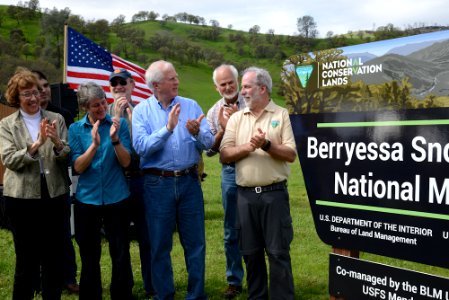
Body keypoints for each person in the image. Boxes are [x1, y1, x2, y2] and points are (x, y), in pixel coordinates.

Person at [132, 60, 214, 300]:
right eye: (172, 78)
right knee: (159, 245)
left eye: (177, 77)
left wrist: (197, 133)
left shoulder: (191, 105)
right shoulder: (141, 111)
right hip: (157, 184)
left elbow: (209, 145)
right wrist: (167, 129)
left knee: (195, 244)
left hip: (189, 181)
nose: (177, 81)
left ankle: (196, 295)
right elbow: (141, 148)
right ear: (156, 85)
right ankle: (164, 295)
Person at [220, 67, 297, 299]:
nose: (241, 91)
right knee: (250, 253)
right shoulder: (236, 118)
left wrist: (267, 145)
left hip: (274, 195)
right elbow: (224, 155)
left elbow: (291, 154)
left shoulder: (281, 115)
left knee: (278, 252)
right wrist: (249, 147)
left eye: (246, 86)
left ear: (262, 88)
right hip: (245, 196)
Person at [0, 68, 70, 299]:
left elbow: (67, 155)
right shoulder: (7, 125)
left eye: (36, 93)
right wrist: (36, 144)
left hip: (54, 195)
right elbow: (9, 159)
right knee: (26, 259)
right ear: (16, 98)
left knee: (53, 257)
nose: (33, 98)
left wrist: (58, 143)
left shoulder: (56, 119)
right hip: (20, 199)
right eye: (26, 94)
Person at [68, 81, 134, 300]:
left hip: (117, 198)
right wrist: (94, 145)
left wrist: (114, 140)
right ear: (85, 107)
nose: (101, 108)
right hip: (88, 200)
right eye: (96, 105)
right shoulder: (76, 129)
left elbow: (126, 163)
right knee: (89, 254)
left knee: (121, 251)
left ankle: (122, 294)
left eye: (103, 102)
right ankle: (90, 295)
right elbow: (77, 167)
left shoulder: (119, 124)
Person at [108, 68, 155, 298]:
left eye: (122, 82)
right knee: (119, 238)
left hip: (141, 180)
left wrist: (129, 117)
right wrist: (115, 118)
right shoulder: (103, 111)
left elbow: (144, 147)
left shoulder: (143, 111)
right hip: (117, 182)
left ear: (132, 84)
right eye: (114, 84)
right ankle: (125, 285)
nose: (118, 87)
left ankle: (151, 283)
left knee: (147, 236)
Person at [32, 70, 80, 294]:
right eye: (37, 88)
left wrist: (57, 142)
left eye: (45, 86)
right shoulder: (20, 119)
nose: (43, 91)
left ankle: (68, 277)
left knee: (62, 234)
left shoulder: (61, 116)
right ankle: (39, 280)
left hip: (57, 184)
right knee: (36, 237)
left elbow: (69, 152)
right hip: (31, 186)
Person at [206, 64, 246, 299]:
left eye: (231, 81)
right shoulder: (213, 112)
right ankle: (234, 280)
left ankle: (258, 278)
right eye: (223, 84)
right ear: (216, 87)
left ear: (237, 81)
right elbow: (210, 151)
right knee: (232, 229)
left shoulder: (252, 101)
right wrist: (222, 129)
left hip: (255, 169)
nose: (228, 87)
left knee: (257, 228)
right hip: (230, 173)